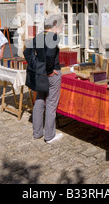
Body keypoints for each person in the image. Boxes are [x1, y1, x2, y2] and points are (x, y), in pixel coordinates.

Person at [24, 13, 64, 144]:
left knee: (40, 101)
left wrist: (36, 65)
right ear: (54, 25)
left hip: (40, 73)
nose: (62, 27)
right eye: (61, 25)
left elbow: (27, 52)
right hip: (51, 72)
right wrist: (49, 70)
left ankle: (37, 133)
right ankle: (49, 136)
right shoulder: (53, 36)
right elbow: (50, 54)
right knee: (51, 104)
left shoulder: (39, 36)